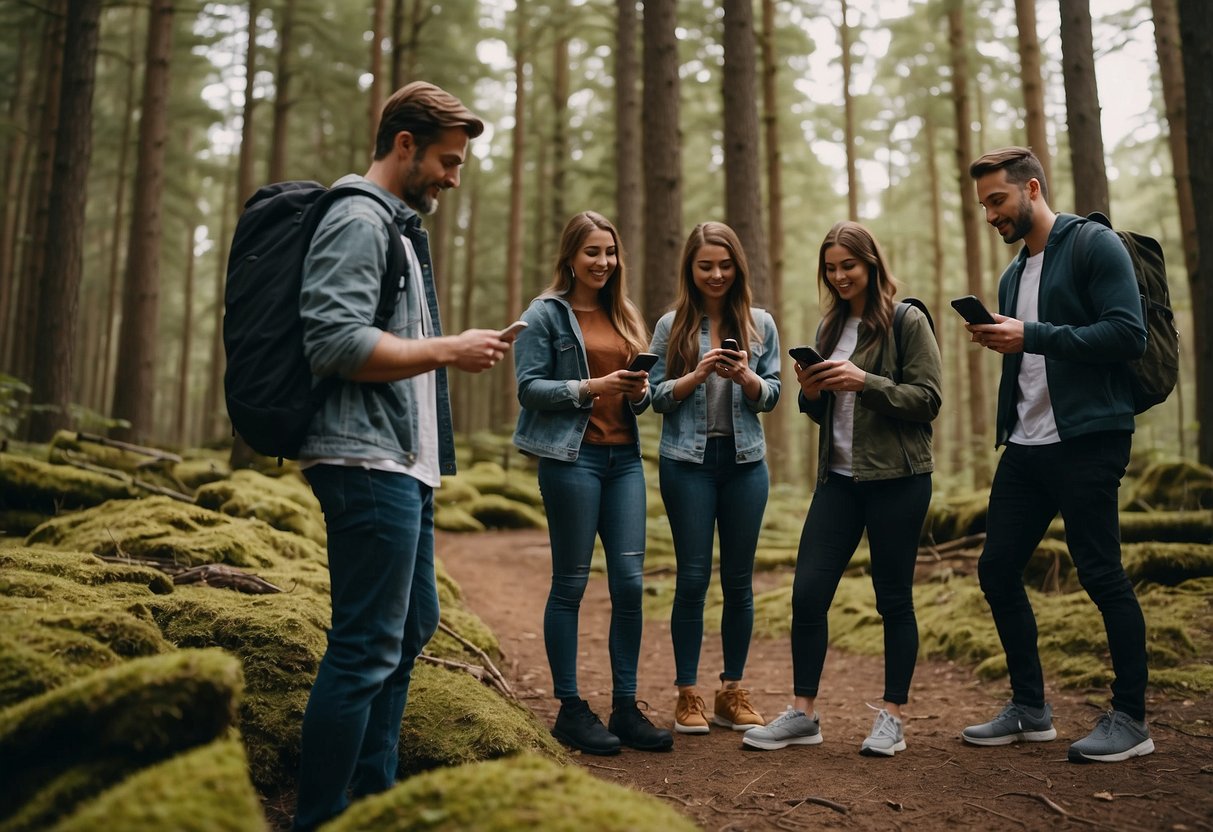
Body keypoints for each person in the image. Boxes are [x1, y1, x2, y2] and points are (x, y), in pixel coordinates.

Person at [292, 82, 514, 831]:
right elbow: (332, 341)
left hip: (401, 463)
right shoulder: (356, 218)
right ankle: (323, 816)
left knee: (411, 627)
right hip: (362, 461)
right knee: (362, 648)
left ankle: (373, 801)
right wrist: (448, 350)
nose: (454, 176)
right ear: (405, 145)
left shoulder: (395, 228)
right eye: (448, 162)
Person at [961, 147, 1152, 763]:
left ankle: (1130, 719)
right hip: (1028, 442)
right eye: (984, 204)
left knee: (1099, 572)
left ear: (1032, 188)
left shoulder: (1093, 244)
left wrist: (1030, 334)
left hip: (1090, 438)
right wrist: (1004, 337)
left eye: (997, 200)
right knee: (996, 569)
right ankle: (1030, 709)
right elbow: (1031, 354)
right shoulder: (1014, 275)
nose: (990, 214)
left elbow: (1128, 333)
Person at [742, 221, 942, 757]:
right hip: (839, 481)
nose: (839, 276)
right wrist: (811, 392)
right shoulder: (830, 326)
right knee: (807, 594)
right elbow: (823, 411)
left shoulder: (907, 320)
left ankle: (892, 718)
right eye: (830, 269)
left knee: (893, 599)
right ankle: (803, 715)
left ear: (871, 264)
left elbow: (928, 400)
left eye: (848, 266)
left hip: (899, 481)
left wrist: (865, 382)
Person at [512, 211, 673, 755]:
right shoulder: (545, 315)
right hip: (570, 459)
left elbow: (644, 397)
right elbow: (528, 389)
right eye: (592, 253)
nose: (603, 262)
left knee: (629, 583)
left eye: (610, 252)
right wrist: (591, 385)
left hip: (624, 461)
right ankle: (570, 708)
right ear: (571, 258)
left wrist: (635, 390)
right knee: (572, 582)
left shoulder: (624, 313)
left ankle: (625, 707)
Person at [647, 222, 781, 736]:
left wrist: (747, 377)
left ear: (738, 267)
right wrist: (697, 375)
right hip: (687, 465)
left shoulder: (760, 323)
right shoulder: (671, 326)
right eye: (706, 266)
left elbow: (770, 394)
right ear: (691, 269)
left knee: (740, 582)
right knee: (693, 578)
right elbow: (653, 396)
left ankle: (732, 691)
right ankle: (687, 694)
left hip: (745, 464)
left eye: (725, 265)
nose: (717, 274)